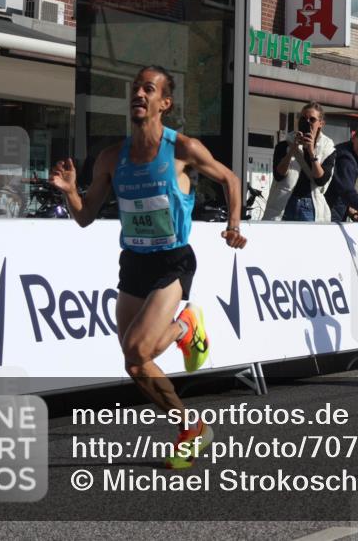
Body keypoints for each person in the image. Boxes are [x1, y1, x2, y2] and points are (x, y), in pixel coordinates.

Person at [49, 66, 247, 470]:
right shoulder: (111, 158)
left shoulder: (183, 149)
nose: (139, 94)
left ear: (164, 103)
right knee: (134, 363)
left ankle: (189, 405)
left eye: (149, 89)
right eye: (136, 88)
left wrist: (234, 226)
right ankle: (190, 402)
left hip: (172, 261)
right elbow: (85, 217)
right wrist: (70, 191)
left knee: (139, 352)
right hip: (134, 262)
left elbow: (230, 179)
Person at [262, 102, 335, 222]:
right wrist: (292, 149)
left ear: (321, 124)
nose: (307, 122)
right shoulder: (284, 145)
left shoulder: (327, 148)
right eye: (303, 118)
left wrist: (311, 152)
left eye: (312, 119)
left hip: (310, 204)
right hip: (285, 203)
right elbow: (279, 175)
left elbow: (321, 180)